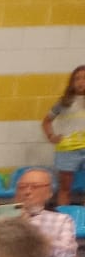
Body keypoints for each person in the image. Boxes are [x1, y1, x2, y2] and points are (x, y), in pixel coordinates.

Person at [46, 66, 85, 206]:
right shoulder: (64, 102)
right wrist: (51, 136)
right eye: (77, 78)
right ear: (72, 82)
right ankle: (63, 215)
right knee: (65, 187)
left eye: (84, 78)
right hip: (67, 149)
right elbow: (47, 121)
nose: (81, 82)